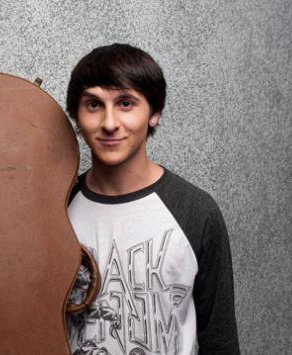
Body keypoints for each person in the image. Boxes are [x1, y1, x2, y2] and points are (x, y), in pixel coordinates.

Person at [65, 44, 240, 355]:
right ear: (77, 117)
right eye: (93, 104)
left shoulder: (196, 212)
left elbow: (220, 340)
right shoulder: (57, 209)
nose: (109, 123)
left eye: (126, 103)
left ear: (154, 113)